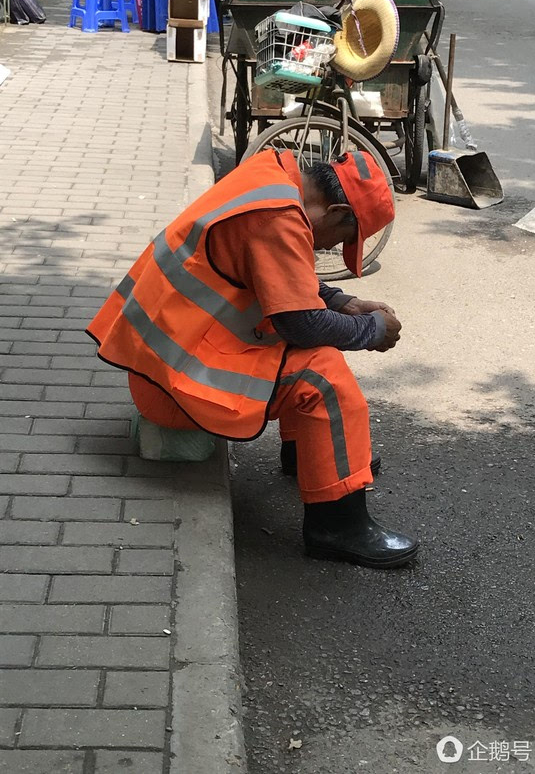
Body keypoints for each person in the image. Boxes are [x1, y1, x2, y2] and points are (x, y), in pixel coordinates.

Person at [86, 149, 418, 569]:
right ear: (335, 211)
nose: (334, 249)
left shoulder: (271, 177)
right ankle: (337, 526)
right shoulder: (277, 218)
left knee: (314, 351)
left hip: (162, 366)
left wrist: (345, 302)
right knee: (322, 376)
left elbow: (280, 275)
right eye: (343, 240)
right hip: (175, 390)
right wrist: (372, 331)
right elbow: (303, 323)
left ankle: (311, 457)